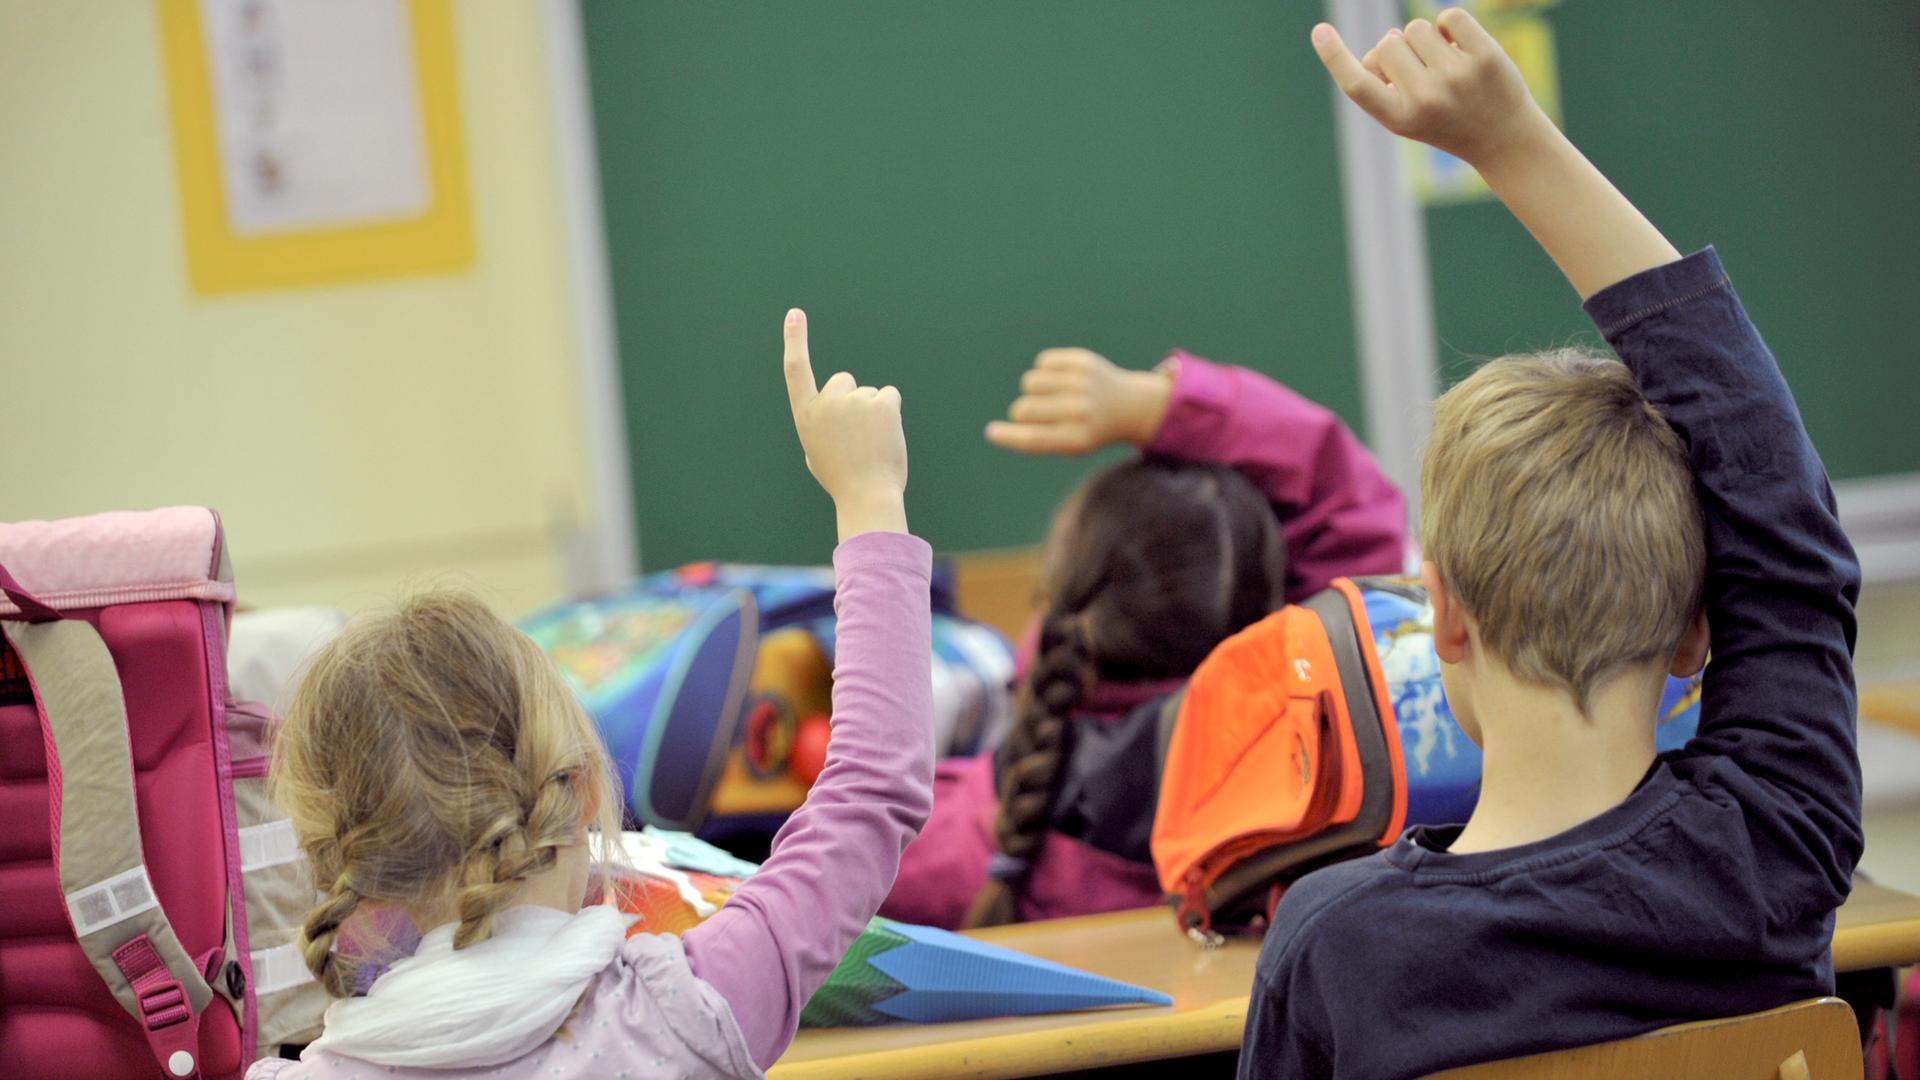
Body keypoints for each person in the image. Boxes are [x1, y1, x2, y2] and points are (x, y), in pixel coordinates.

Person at [1239, 11, 1862, 1077]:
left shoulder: (1335, 948)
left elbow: (1787, 535)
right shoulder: (1766, 852)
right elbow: (1784, 516)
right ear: (1694, 635)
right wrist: (1514, 141)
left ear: (1444, 612)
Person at [250, 309, 935, 1078]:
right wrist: (871, 494)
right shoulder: (677, 1016)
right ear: (578, 794)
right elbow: (871, 790)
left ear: (336, 853)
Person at [883, 347, 1410, 929]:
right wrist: (1158, 407)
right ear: (1266, 625)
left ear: (1066, 598)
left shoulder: (952, 841)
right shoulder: (1301, 819)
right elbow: (1354, 517)